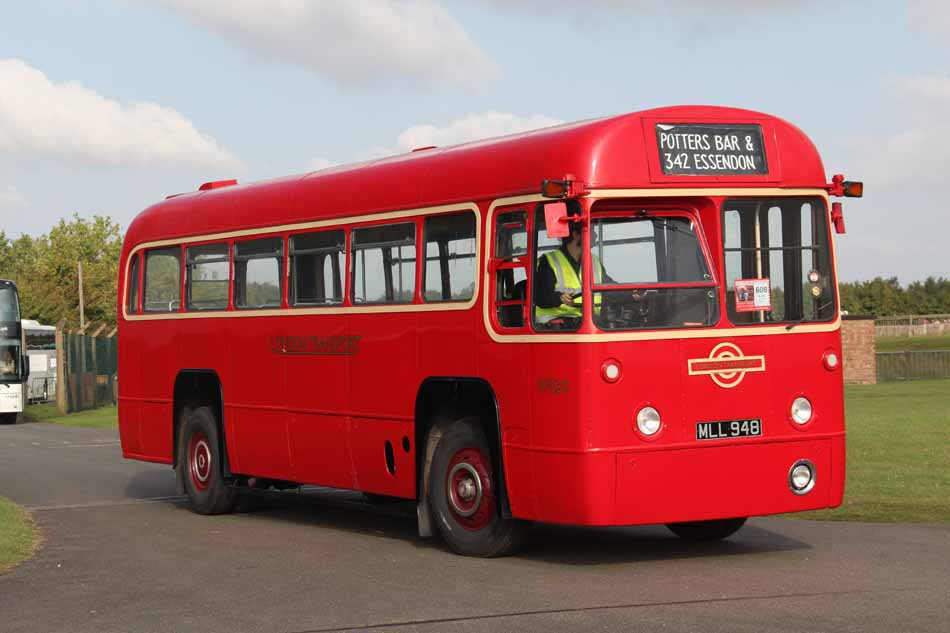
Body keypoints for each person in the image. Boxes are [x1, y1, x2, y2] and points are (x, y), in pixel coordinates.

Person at [534, 223, 606, 326]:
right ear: (576, 235)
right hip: (554, 327)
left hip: (588, 321)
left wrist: (630, 294)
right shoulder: (549, 261)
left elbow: (607, 287)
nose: (595, 235)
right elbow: (541, 297)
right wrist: (559, 298)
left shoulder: (594, 260)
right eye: (591, 231)